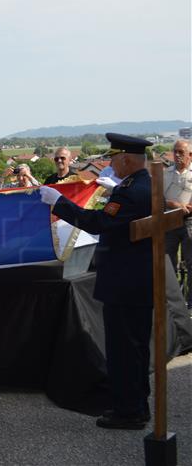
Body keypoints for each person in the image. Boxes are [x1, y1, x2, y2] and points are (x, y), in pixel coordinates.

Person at [39, 133, 153, 430]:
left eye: (114, 157)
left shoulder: (128, 191)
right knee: (137, 346)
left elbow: (100, 223)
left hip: (124, 282)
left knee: (123, 349)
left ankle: (127, 411)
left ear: (127, 158)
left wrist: (60, 203)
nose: (110, 162)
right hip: (138, 279)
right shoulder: (144, 184)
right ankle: (138, 404)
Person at [163, 139, 192, 307]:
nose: (177, 155)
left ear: (190, 155)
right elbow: (158, 198)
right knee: (167, 262)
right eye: (175, 151)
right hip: (169, 222)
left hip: (189, 221)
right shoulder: (166, 173)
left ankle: (190, 303)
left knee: (191, 263)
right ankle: (172, 302)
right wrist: (172, 204)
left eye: (181, 152)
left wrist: (186, 208)